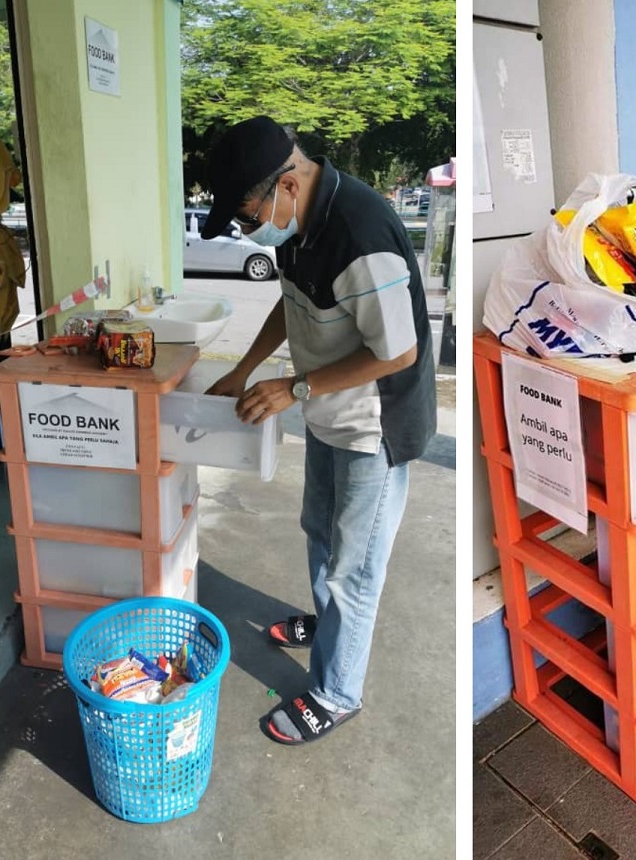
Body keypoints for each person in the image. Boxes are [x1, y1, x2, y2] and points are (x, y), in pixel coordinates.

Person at [199, 116, 437, 745]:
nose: (252, 228)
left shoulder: (360, 232)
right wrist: (246, 368)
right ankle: (327, 623)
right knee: (320, 533)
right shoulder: (298, 224)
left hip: (374, 423)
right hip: (329, 409)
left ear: (285, 184)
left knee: (354, 569)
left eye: (249, 214)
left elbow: (399, 353)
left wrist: (293, 389)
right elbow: (291, 300)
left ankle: (337, 692)